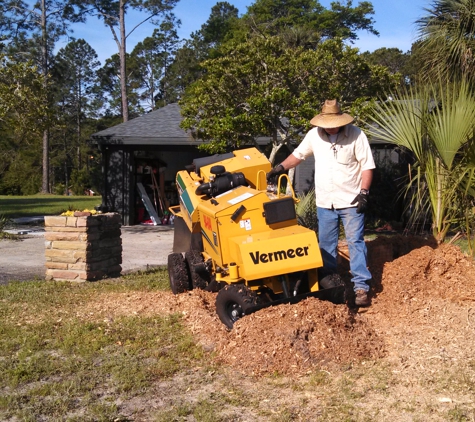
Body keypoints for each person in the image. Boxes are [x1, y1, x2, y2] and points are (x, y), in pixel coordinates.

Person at [267, 99, 375, 306]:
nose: (329, 127)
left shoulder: (356, 135)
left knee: (355, 242)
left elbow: (367, 166)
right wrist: (279, 168)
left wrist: (364, 193)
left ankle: (361, 287)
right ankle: (330, 285)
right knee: (326, 245)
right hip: (326, 202)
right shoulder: (314, 135)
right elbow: (298, 155)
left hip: (351, 200)